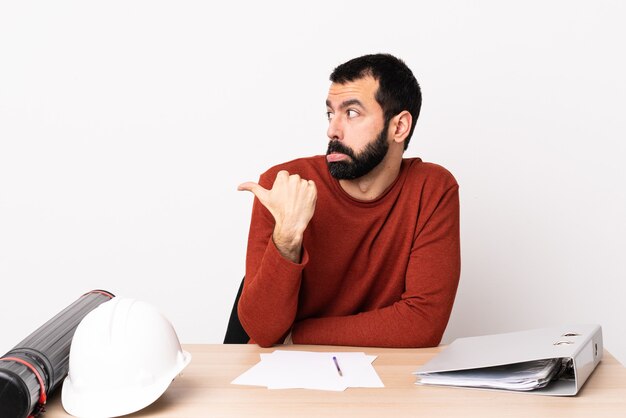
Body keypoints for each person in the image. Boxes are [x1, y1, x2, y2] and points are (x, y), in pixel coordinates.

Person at [237, 53, 460, 348]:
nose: (333, 130)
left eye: (351, 113)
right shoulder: (284, 185)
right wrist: (287, 238)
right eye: (331, 114)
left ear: (399, 127)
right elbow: (264, 333)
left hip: (381, 377)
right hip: (285, 378)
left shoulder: (432, 189)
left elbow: (423, 324)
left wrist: (298, 335)